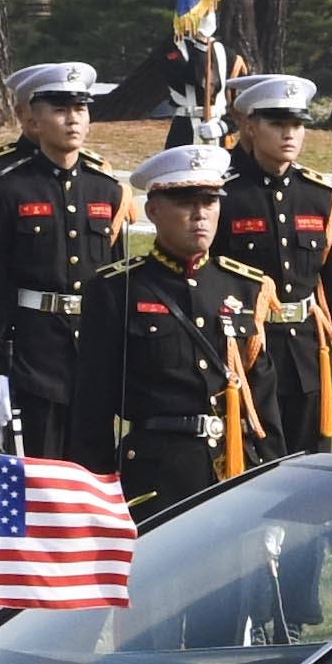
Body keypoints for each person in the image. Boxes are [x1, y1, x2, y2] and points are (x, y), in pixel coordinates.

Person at [73, 143, 259, 512]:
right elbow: (91, 409)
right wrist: (96, 500)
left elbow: (263, 403)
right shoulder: (117, 289)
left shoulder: (242, 286)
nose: (200, 215)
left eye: (209, 202)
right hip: (157, 476)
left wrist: (274, 492)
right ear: (153, 210)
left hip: (234, 469)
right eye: (186, 203)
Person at [0, 61, 125, 467]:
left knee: (92, 465)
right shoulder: (6, 183)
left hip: (90, 346)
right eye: (61, 109)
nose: (73, 120)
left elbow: (116, 278)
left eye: (81, 109)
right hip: (33, 344)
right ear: (31, 117)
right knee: (32, 463)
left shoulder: (104, 185)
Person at [214, 75, 332, 462]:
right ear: (250, 126)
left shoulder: (320, 195)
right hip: (249, 353)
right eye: (277, 124)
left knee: (308, 469)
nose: (289, 134)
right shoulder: (225, 194)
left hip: (308, 353)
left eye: (297, 124)